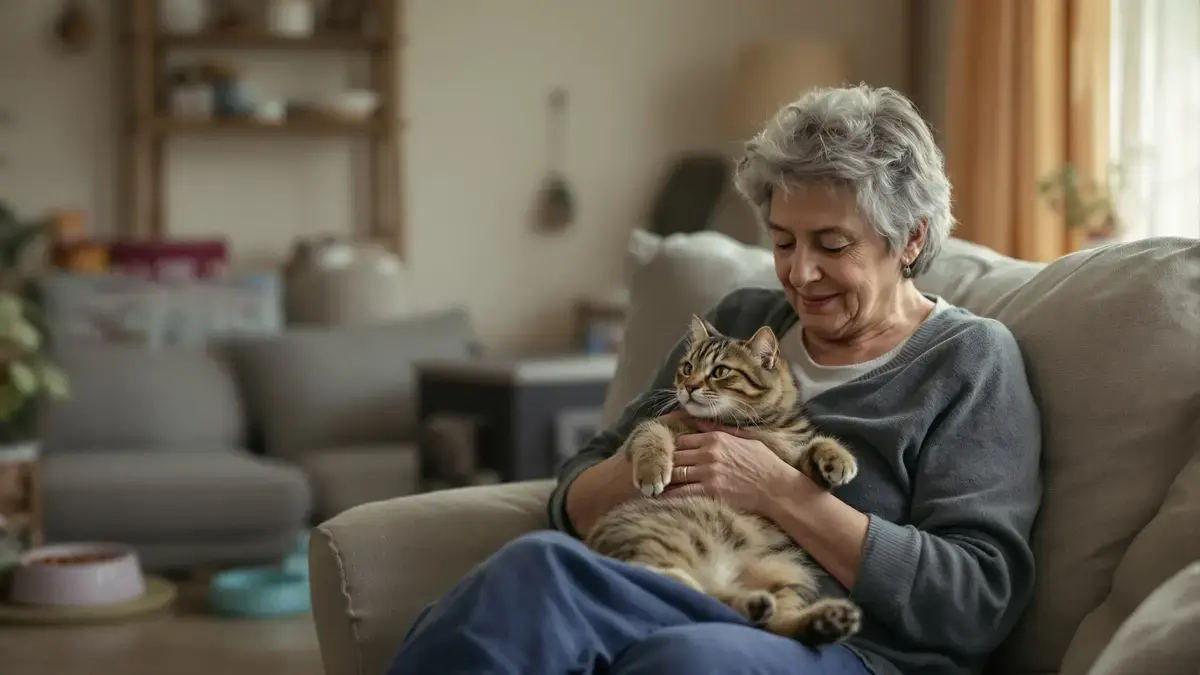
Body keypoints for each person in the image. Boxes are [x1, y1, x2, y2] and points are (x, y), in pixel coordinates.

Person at [386, 85, 1043, 675]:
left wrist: (778, 487)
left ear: (909, 239)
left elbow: (977, 598)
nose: (800, 272)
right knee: (531, 571)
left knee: (685, 660)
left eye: (832, 245)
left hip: (848, 647)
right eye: (784, 242)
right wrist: (655, 448)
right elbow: (577, 491)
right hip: (676, 583)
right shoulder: (741, 319)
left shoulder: (970, 361)